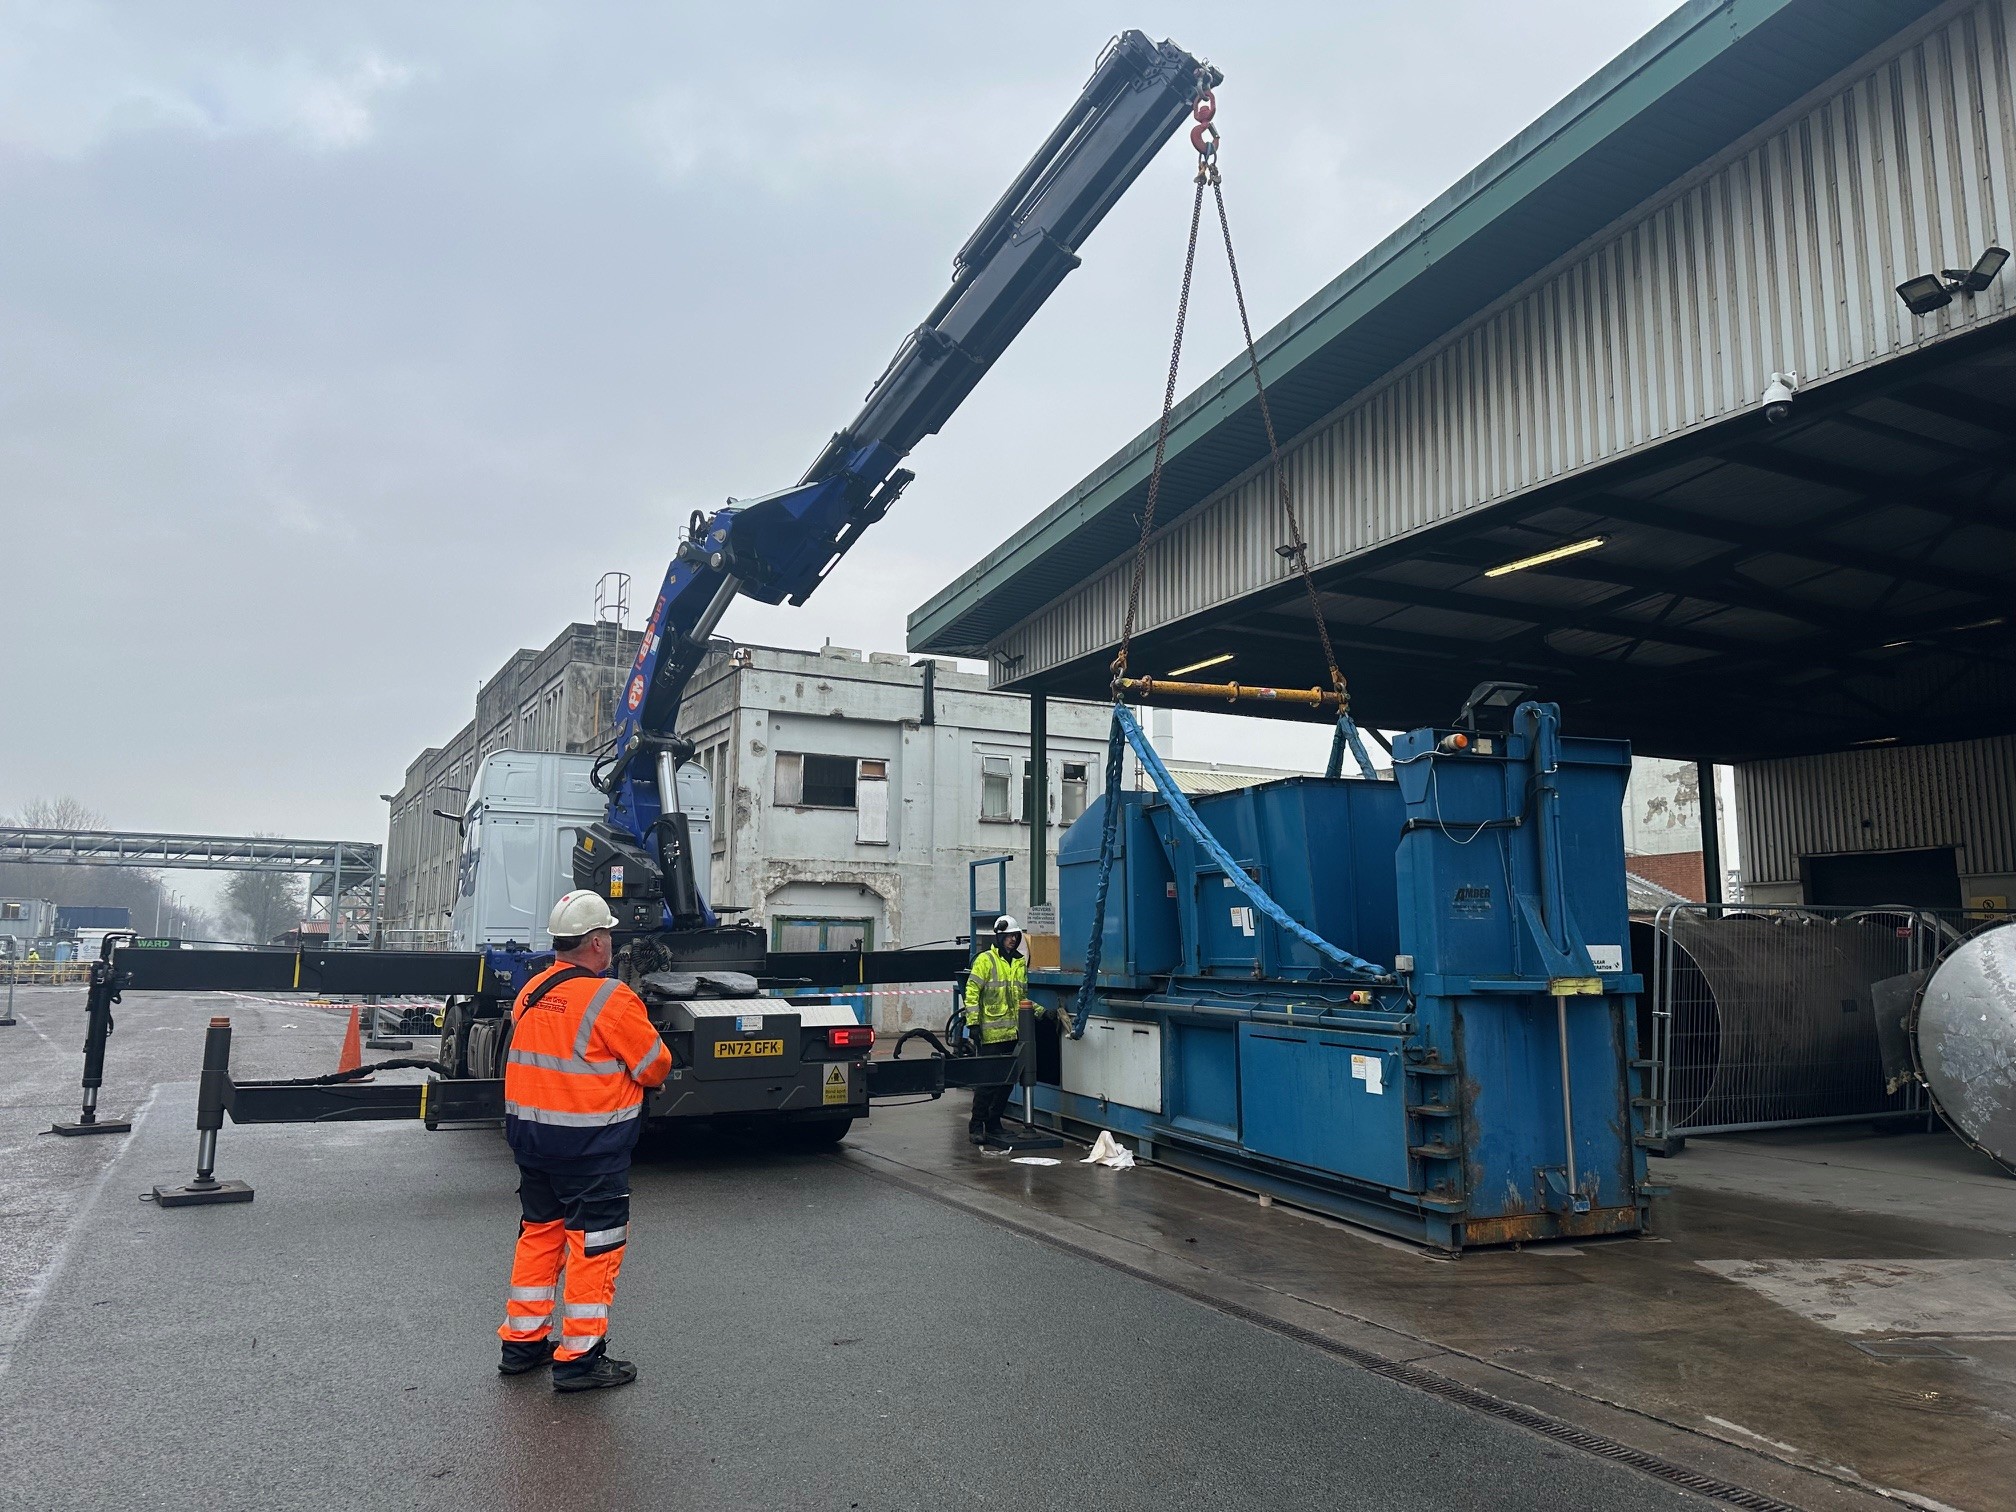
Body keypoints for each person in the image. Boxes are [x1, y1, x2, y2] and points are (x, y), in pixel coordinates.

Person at [497, 890, 671, 1392]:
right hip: (590, 1147)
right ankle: (579, 1359)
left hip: (532, 1143)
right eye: (609, 936)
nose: (612, 944)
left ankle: (523, 1344)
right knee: (595, 1248)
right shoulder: (610, 998)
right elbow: (653, 1066)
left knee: (540, 1234)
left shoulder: (530, 991)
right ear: (596, 942)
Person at [964, 914, 1030, 1150]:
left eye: (1015, 936)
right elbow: (971, 992)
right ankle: (977, 1125)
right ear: (999, 937)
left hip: (1013, 1033)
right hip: (991, 1035)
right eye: (1008, 936)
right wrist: (972, 1023)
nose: (1012, 940)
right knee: (987, 1082)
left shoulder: (1020, 963)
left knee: (1007, 1081)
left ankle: (993, 1122)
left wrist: (1041, 1012)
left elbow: (1021, 999)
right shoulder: (985, 960)